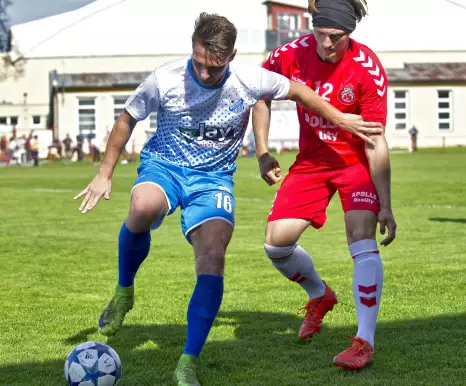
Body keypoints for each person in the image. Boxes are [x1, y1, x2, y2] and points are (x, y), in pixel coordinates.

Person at [74, 12, 382, 386]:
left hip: (214, 179)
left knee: (214, 256)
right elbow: (127, 119)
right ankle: (124, 292)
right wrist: (105, 172)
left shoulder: (249, 78)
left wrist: (342, 120)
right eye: (201, 64)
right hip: (165, 167)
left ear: (232, 56)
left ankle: (188, 361)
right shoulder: (165, 78)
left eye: (215, 68)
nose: (206, 75)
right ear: (194, 49)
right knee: (142, 208)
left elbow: (298, 91)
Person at [252, 0, 396, 371]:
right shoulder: (291, 54)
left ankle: (364, 340)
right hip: (312, 162)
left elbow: (375, 140)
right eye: (321, 33)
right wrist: (263, 150)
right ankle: (320, 295)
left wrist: (386, 204)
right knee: (275, 243)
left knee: (360, 236)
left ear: (350, 33)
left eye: (336, 36)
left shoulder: (367, 70)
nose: (327, 43)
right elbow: (260, 94)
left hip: (354, 164)